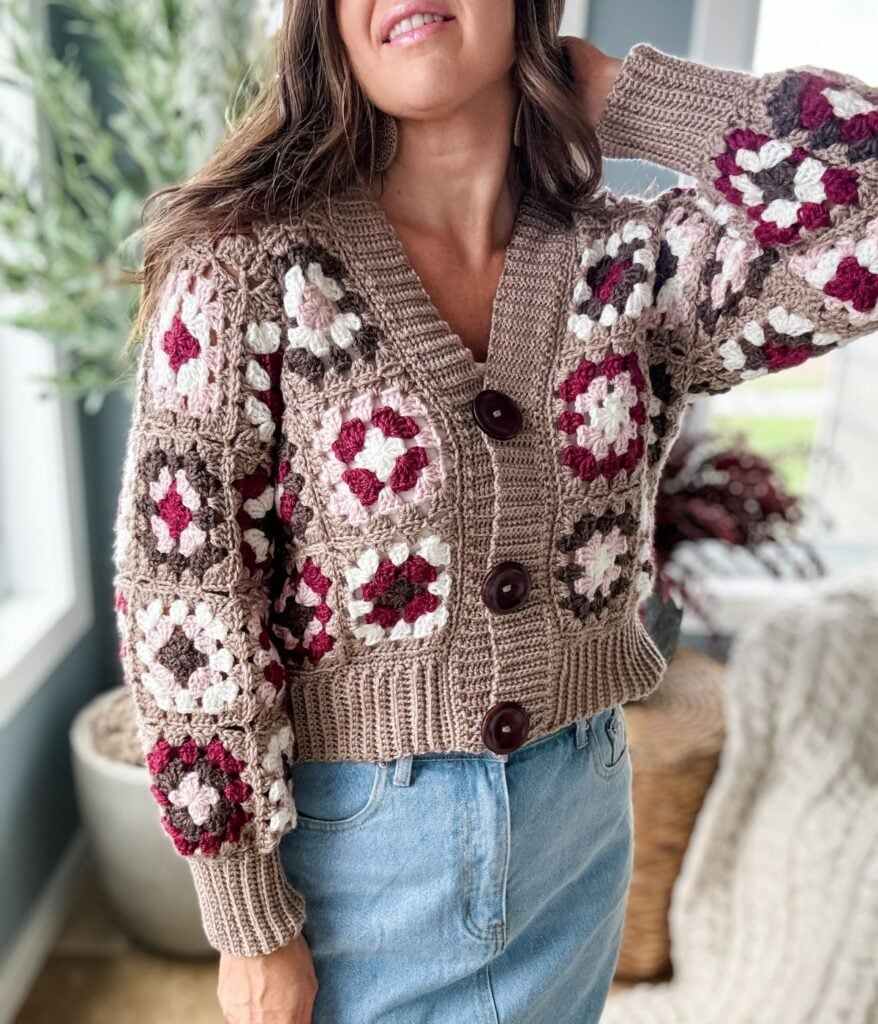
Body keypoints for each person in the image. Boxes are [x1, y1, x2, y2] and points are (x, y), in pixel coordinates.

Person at [111, 1, 878, 1021]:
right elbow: (186, 599)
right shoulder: (246, 270)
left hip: (577, 809)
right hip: (356, 849)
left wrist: (616, 93)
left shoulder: (631, 271)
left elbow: (859, 202)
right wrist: (248, 918)